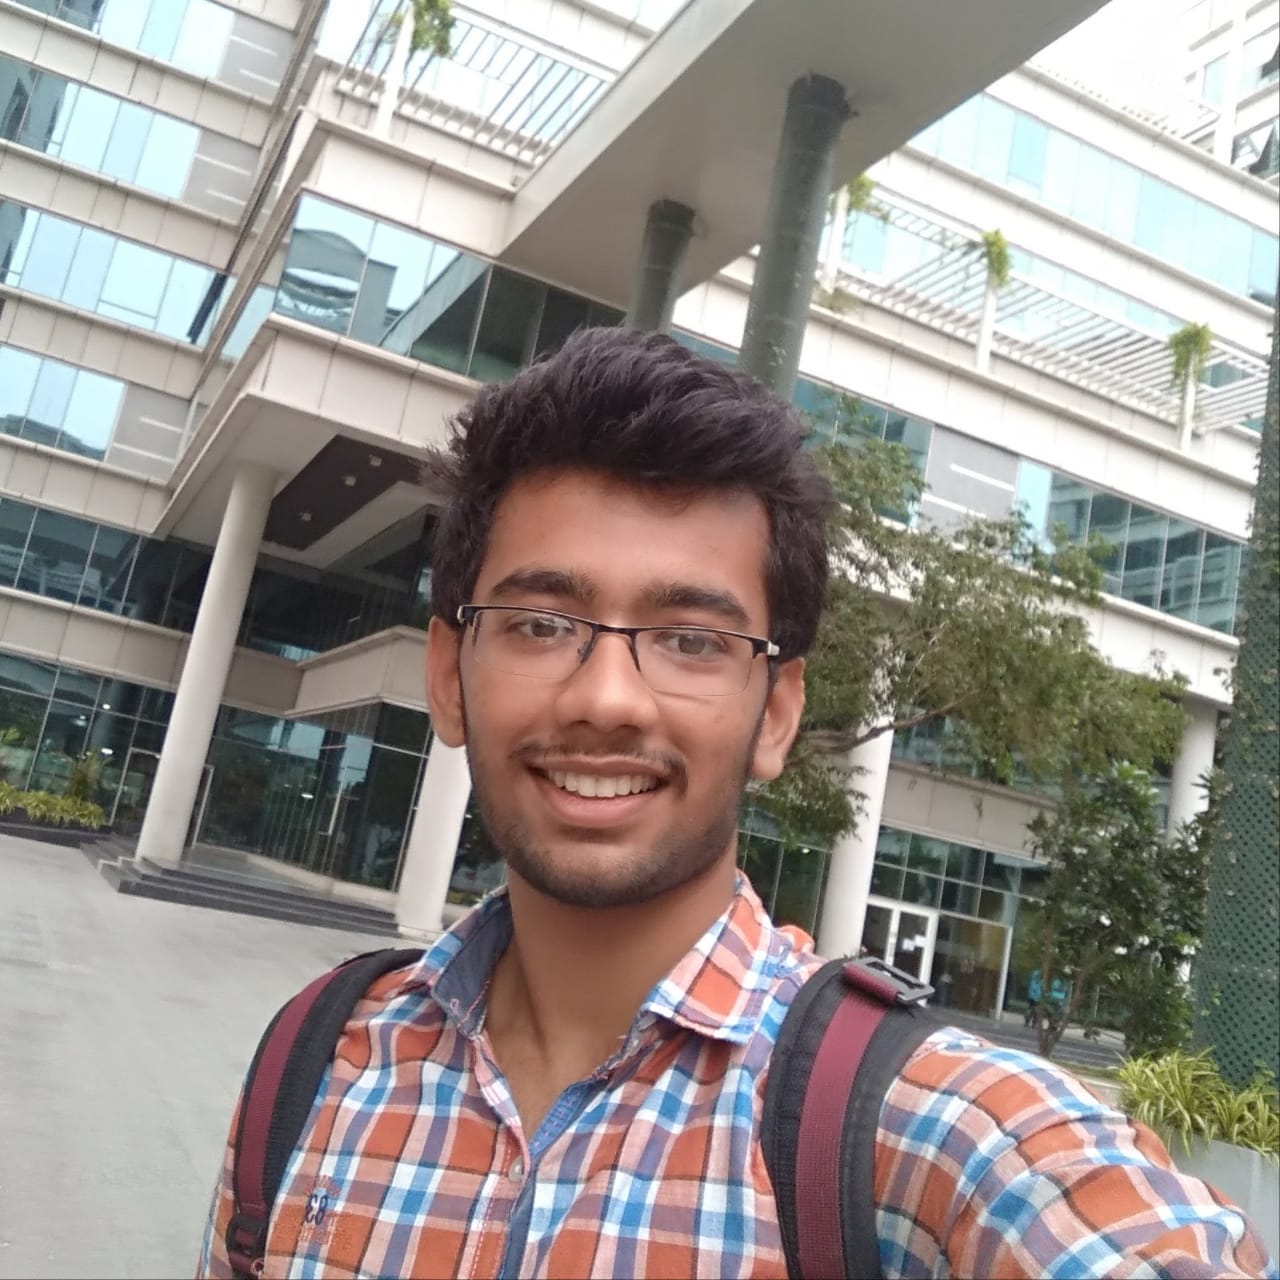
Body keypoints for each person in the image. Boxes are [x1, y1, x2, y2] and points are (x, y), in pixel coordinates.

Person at [198, 329, 1276, 1279]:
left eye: (690, 640)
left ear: (776, 713)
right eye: (540, 624)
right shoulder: (312, 1063)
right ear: (448, 674)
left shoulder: (929, 1136)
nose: (606, 698)